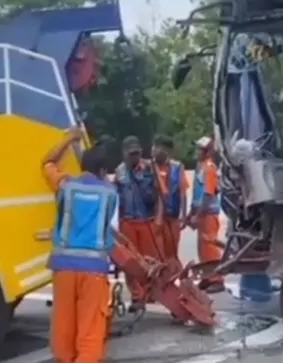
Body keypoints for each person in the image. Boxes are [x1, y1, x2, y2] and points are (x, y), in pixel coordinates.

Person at [42, 126, 117, 363]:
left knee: (64, 324)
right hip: (93, 269)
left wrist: (69, 140)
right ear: (104, 170)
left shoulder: (66, 186)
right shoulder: (110, 193)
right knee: (90, 329)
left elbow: (47, 162)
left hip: (63, 266)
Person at [114, 135, 164, 311]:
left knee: (150, 260)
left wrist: (159, 218)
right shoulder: (119, 172)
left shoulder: (150, 168)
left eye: (137, 153)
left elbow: (159, 195)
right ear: (124, 154)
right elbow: (116, 199)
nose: (134, 157)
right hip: (128, 221)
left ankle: (151, 292)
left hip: (147, 221)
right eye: (131, 154)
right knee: (130, 262)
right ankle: (137, 296)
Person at [187, 135, 226, 294]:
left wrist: (198, 215)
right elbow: (197, 194)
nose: (196, 152)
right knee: (203, 248)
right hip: (202, 213)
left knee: (209, 247)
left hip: (208, 214)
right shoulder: (201, 167)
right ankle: (207, 277)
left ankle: (216, 279)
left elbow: (208, 195)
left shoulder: (209, 168)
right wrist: (192, 213)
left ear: (207, 151)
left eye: (199, 149)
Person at [152, 135, 187, 262]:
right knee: (156, 254)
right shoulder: (148, 167)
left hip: (172, 217)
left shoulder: (177, 168)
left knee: (172, 253)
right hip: (153, 218)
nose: (156, 150)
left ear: (168, 151)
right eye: (155, 146)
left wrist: (183, 215)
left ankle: (172, 279)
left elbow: (182, 192)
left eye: (160, 147)